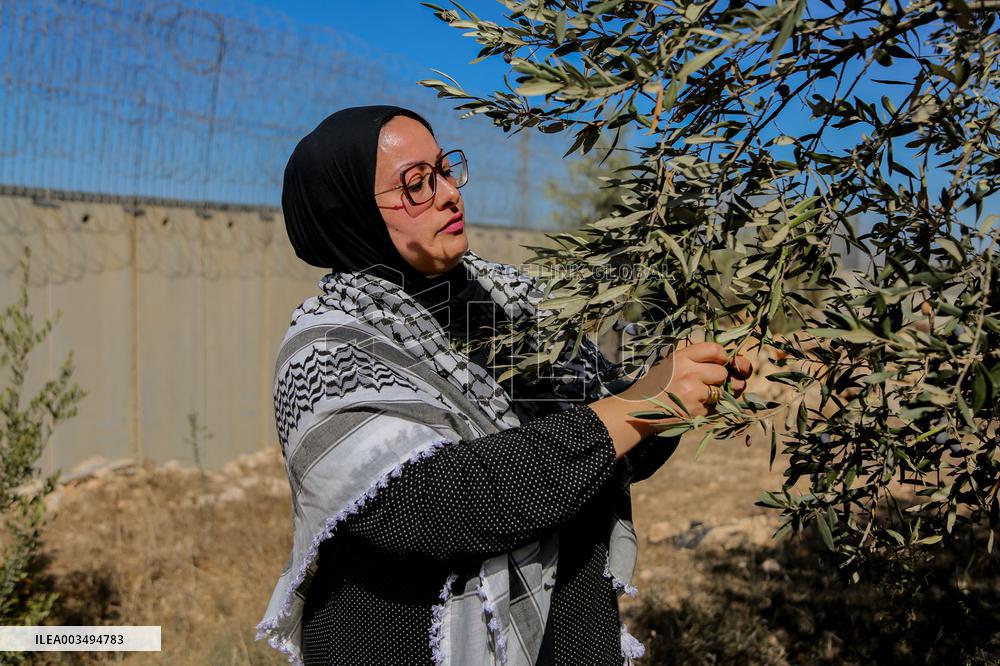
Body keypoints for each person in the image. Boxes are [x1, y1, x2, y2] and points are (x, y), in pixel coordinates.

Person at [256, 105, 753, 666]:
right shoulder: (326, 348)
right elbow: (433, 503)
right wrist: (639, 406)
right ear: (348, 213)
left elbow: (608, 449)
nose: (449, 194)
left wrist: (680, 390)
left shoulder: (509, 301)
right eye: (416, 184)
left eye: (445, 170)